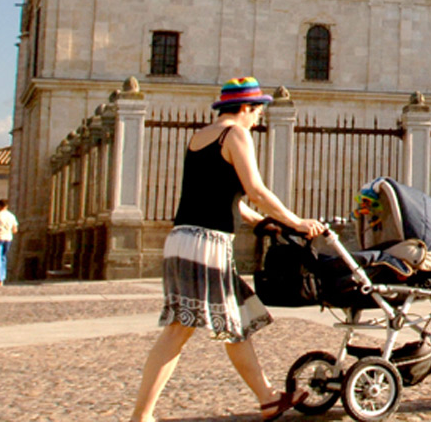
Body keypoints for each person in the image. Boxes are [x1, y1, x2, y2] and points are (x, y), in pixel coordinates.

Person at [129, 77, 326, 422]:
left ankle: (267, 398)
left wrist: (261, 223)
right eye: (257, 112)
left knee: (236, 322)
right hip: (207, 243)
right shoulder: (236, 134)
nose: (258, 119)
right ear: (246, 108)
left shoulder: (200, 136)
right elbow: (256, 189)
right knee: (179, 330)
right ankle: (141, 417)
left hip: (183, 239)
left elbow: (223, 196)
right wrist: (297, 222)